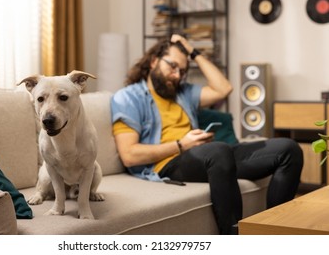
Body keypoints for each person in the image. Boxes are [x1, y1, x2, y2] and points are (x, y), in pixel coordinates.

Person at [110, 34, 303, 235]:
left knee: (288, 149)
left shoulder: (182, 92)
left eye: (182, 71)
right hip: (167, 163)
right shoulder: (128, 98)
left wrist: (193, 52)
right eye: (172, 66)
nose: (177, 75)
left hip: (207, 155)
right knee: (218, 151)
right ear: (153, 61)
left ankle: (273, 233)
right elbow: (129, 155)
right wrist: (181, 145)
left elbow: (224, 88)